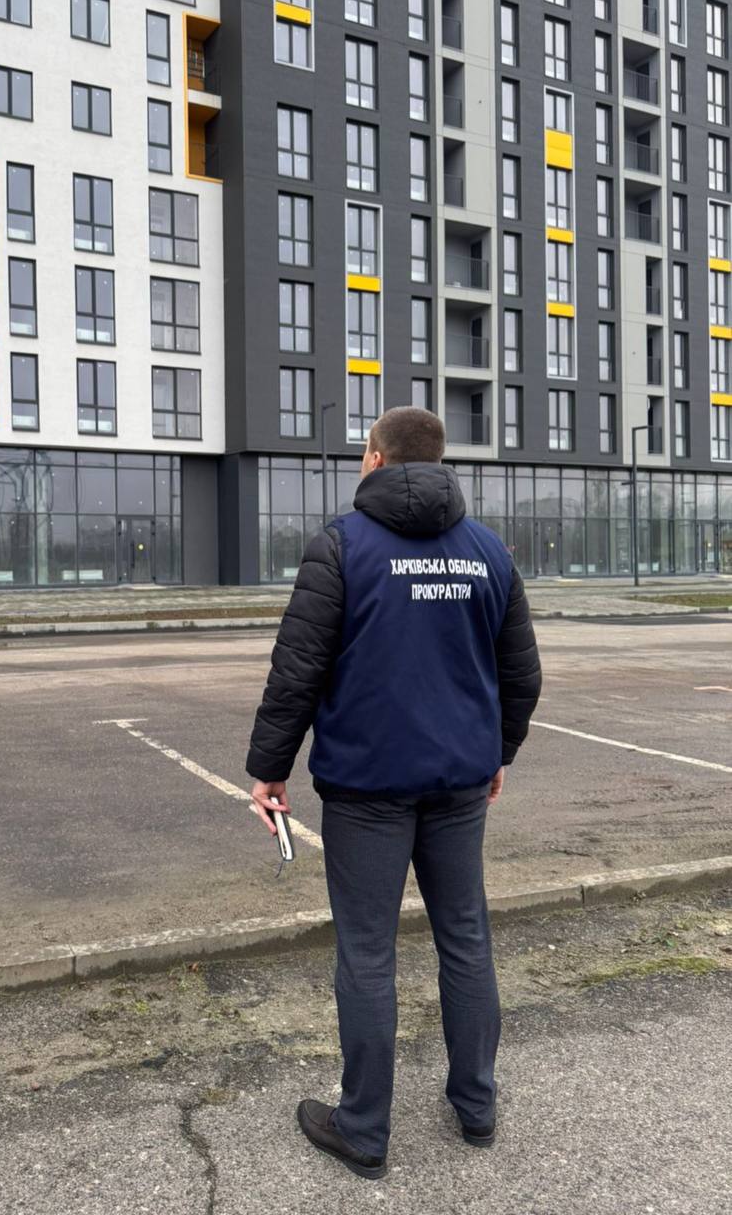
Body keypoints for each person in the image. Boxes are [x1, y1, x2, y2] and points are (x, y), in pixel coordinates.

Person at [246, 406, 542, 1181]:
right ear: (437, 463)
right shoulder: (489, 552)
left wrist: (269, 767)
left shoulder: (342, 546)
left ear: (376, 458)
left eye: (363, 453)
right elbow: (522, 674)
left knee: (368, 952)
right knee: (466, 939)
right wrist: (498, 753)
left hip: (366, 788)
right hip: (458, 785)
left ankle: (364, 1129)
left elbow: (297, 671)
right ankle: (476, 1106)